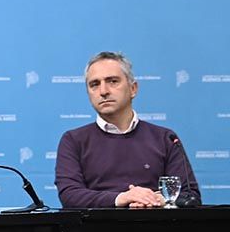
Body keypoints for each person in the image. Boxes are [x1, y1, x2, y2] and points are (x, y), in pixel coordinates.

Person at [55, 51, 200, 208]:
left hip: (157, 228)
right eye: (94, 84)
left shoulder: (165, 138)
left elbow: (190, 196)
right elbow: (70, 195)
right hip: (96, 230)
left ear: (133, 89)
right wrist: (121, 198)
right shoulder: (73, 140)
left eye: (113, 81)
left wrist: (157, 200)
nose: (103, 91)